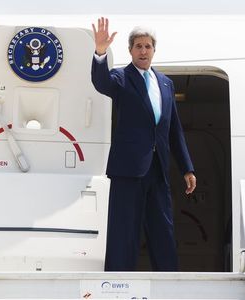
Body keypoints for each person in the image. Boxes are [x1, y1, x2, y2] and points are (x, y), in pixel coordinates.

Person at [91, 17, 196, 271]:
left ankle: (169, 284)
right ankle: (117, 285)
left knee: (163, 229)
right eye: (138, 46)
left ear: (154, 50)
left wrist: (187, 168)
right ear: (130, 50)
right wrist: (100, 52)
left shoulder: (166, 84)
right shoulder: (121, 78)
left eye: (147, 46)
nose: (143, 51)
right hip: (128, 169)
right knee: (124, 231)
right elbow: (100, 83)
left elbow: (173, 130)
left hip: (158, 169)